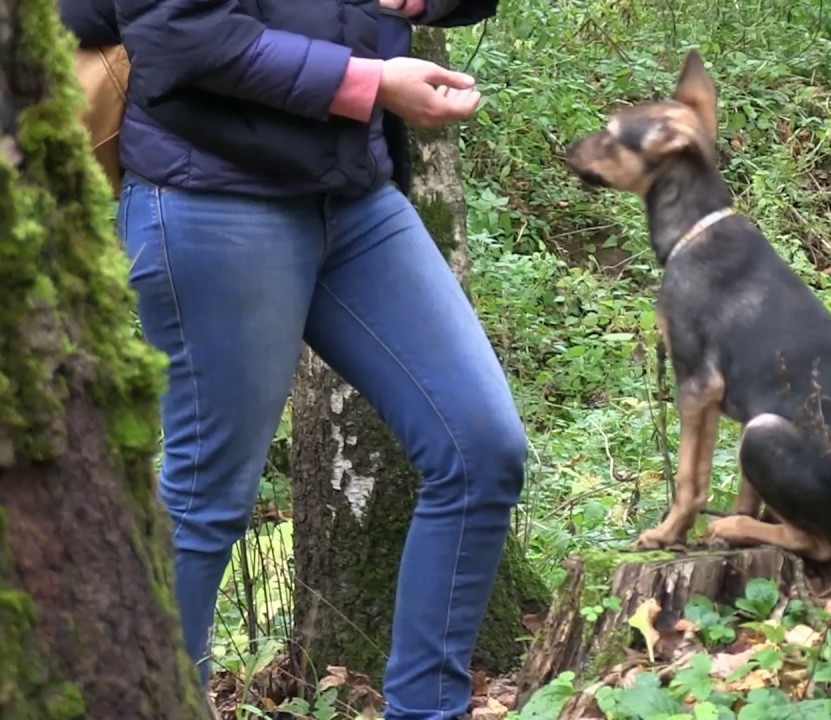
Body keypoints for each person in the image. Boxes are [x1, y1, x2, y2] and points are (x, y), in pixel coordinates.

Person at [57, 0, 527, 718]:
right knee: (204, 504)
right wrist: (370, 82)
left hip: (355, 194)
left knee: (480, 449)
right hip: (212, 194)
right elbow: (179, 34)